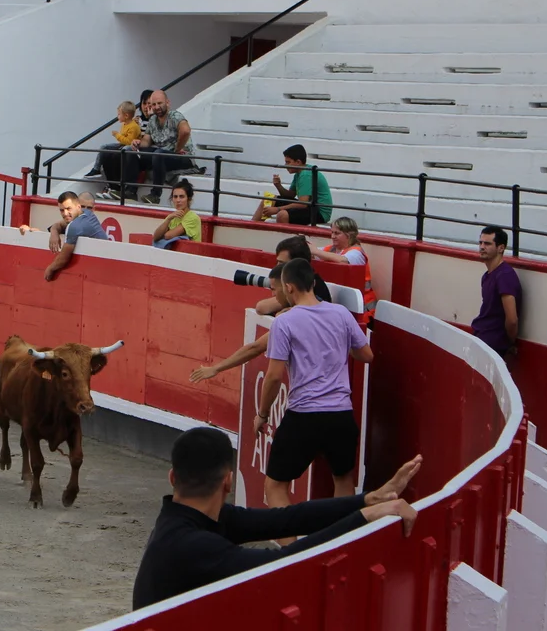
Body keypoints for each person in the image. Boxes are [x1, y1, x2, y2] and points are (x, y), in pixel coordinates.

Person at [132, 426, 420, 610]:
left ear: (172, 477)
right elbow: (285, 563)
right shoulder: (192, 544)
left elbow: (287, 519)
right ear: (228, 482)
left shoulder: (186, 520)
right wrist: (364, 518)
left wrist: (366, 500)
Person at [257, 258, 373, 532]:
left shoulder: (285, 322)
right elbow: (366, 355)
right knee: (343, 480)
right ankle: (340, 544)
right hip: (341, 413)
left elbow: (273, 377)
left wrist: (262, 413)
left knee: (275, 486)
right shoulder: (341, 314)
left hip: (304, 415)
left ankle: (291, 549)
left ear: (289, 287)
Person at [190, 243, 331, 384]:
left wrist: (216, 368)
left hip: (308, 394)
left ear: (287, 286)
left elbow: (261, 357)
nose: (273, 294)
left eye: (274, 289)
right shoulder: (337, 312)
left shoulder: (289, 319)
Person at [136, 90, 200, 206]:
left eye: (159, 103)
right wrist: (137, 143)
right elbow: (146, 141)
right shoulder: (152, 120)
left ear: (167, 103)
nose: (157, 107)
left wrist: (177, 149)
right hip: (163, 155)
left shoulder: (175, 116)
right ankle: (129, 191)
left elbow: (185, 131)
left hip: (182, 156)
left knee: (158, 154)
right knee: (133, 152)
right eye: (154, 104)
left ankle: (155, 195)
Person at [310, 216, 377, 324]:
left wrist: (316, 252)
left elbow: (343, 260)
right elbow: (316, 254)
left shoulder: (357, 253)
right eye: (332, 232)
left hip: (363, 310)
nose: (332, 236)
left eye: (337, 233)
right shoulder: (331, 249)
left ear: (348, 235)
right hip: (344, 304)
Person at [470, 226, 522, 359]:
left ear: (501, 248)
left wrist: (509, 342)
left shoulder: (504, 276)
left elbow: (512, 320)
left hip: (493, 345)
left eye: (487, 244)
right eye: (480, 243)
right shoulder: (487, 276)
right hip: (482, 339)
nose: (482, 247)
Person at [252, 144, 333, 225]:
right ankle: (251, 227)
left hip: (319, 212)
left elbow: (303, 204)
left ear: (298, 162)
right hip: (310, 206)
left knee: (282, 215)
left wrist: (277, 209)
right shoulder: (299, 173)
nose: (285, 165)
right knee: (268, 200)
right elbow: (290, 195)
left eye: (288, 162)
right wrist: (278, 186)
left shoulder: (305, 175)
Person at [40, 191, 107, 281]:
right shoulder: (86, 214)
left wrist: (50, 268)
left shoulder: (75, 226)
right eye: (62, 210)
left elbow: (63, 258)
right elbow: (59, 225)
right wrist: (54, 232)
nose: (65, 213)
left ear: (78, 207)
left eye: (69, 209)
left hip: (101, 268)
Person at [86, 101, 142, 179]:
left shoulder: (134, 127)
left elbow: (129, 142)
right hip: (123, 144)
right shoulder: (124, 124)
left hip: (132, 147)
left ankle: (121, 175)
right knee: (104, 147)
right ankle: (96, 169)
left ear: (126, 115)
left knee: (124, 150)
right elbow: (123, 140)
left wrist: (117, 135)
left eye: (119, 114)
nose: (117, 116)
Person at [152, 179, 201, 248]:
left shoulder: (193, 217)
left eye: (181, 197)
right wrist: (168, 219)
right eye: (175, 197)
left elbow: (168, 236)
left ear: (189, 199)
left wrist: (162, 235)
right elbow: (155, 237)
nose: (178, 200)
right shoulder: (171, 216)